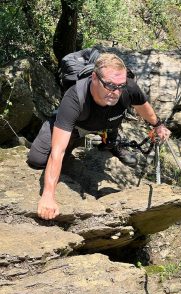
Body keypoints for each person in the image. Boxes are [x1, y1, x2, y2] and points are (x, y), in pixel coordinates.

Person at [27, 53, 171, 220]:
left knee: (112, 122)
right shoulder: (74, 98)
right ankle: (74, 141)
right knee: (37, 160)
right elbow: (57, 150)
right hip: (75, 127)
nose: (115, 92)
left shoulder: (128, 88)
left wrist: (158, 125)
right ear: (94, 77)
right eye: (110, 85)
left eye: (120, 85)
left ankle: (111, 143)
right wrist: (48, 196)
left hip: (107, 124)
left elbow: (144, 108)